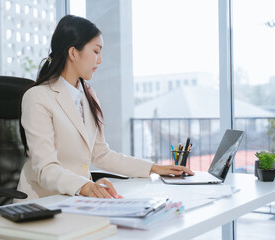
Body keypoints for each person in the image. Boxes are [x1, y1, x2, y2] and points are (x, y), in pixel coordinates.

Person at [17, 15, 194, 200]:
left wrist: (152, 168)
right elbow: (45, 168)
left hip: (78, 199)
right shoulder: (38, 97)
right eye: (96, 51)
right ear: (73, 52)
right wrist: (86, 186)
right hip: (43, 202)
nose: (100, 60)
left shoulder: (89, 95)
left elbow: (101, 154)